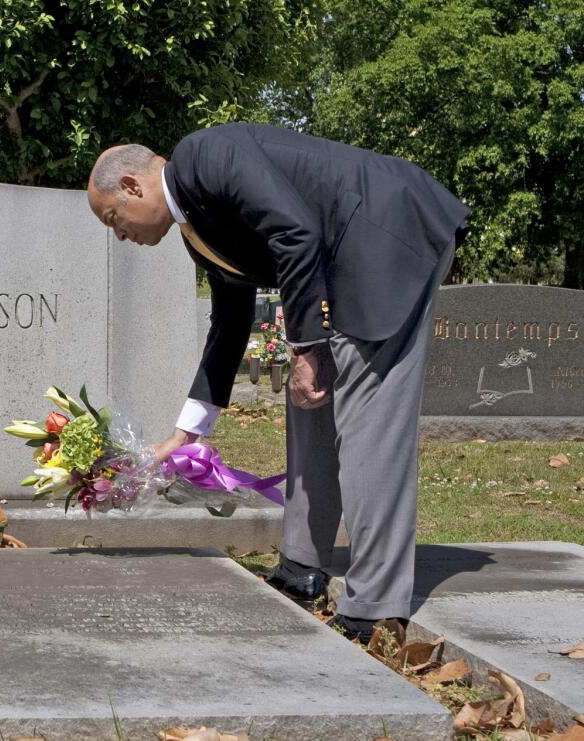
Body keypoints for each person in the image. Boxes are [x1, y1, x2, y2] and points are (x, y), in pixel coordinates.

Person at [87, 123, 470, 642]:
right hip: (346, 258)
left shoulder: (205, 155)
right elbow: (229, 323)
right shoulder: (197, 229)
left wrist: (306, 347)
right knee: (309, 405)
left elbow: (296, 233)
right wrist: (187, 433)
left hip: (389, 236)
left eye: (114, 219)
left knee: (368, 425)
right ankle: (302, 565)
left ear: (132, 186)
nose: (120, 236)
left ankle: (375, 604)